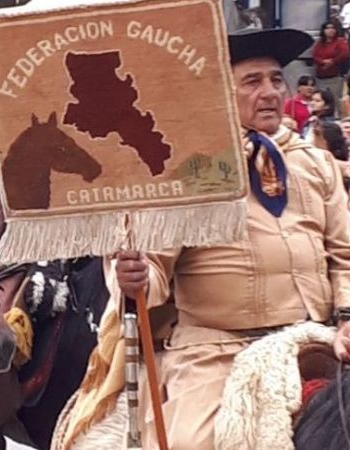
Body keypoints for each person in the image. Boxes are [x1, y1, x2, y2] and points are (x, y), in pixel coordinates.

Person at [115, 28, 350, 449]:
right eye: (252, 81)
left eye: (276, 79)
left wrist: (348, 318)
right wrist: (135, 278)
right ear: (221, 92)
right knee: (192, 443)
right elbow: (153, 269)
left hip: (318, 338)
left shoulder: (317, 163)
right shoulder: (182, 170)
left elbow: (345, 254)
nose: (269, 92)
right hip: (217, 350)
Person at [312, 20, 349, 110]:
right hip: (320, 77)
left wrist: (333, 62)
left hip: (335, 77)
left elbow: (345, 53)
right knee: (321, 99)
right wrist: (322, 62)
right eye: (328, 28)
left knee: (335, 100)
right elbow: (315, 55)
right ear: (323, 30)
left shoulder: (339, 41)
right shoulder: (320, 43)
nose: (330, 30)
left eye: (333, 28)